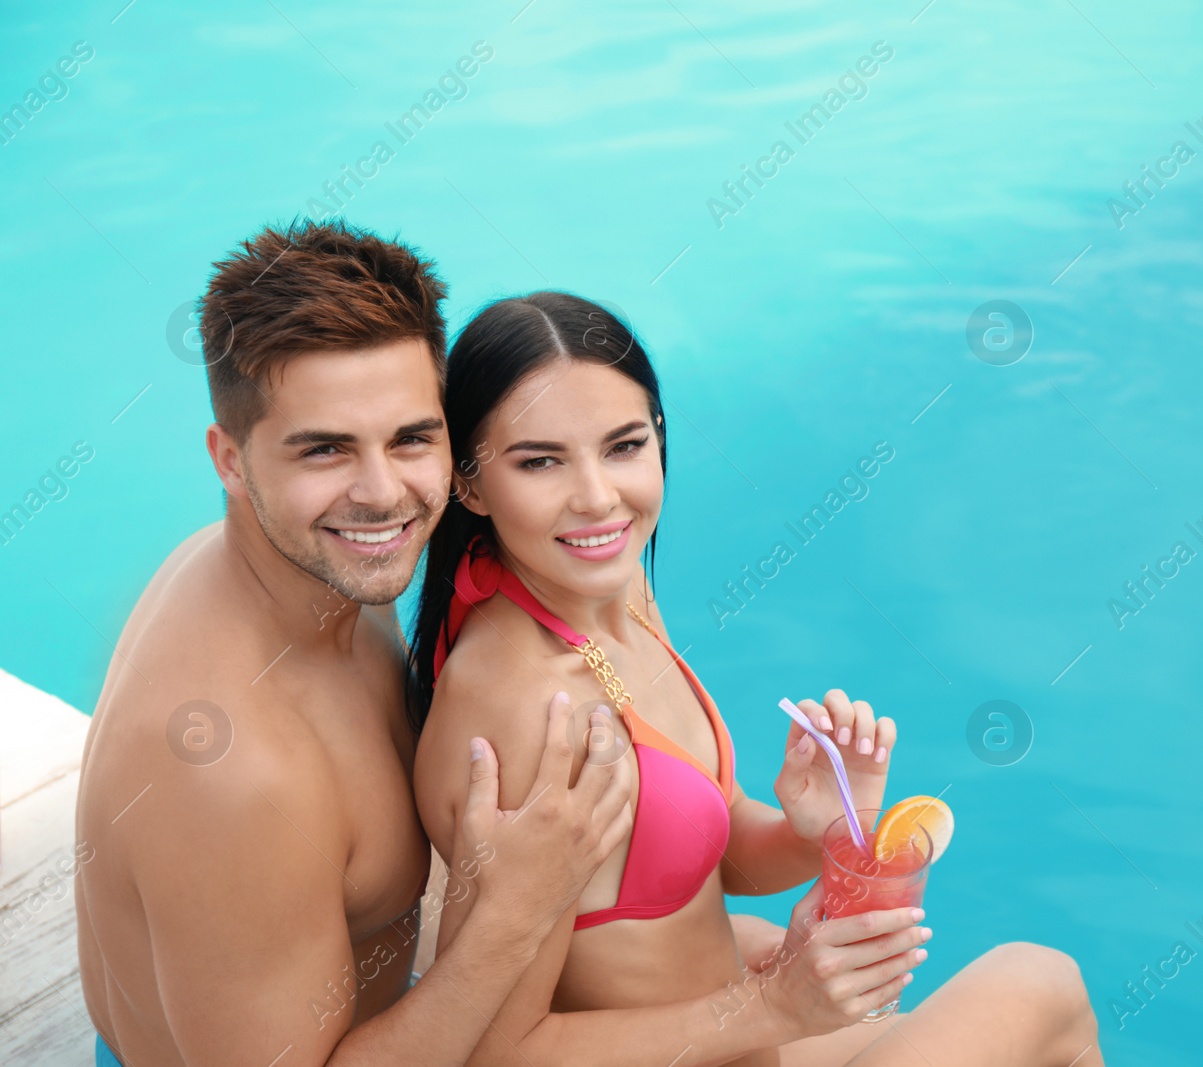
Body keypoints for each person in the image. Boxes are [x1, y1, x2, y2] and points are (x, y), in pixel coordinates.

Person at [409, 292, 1105, 1066]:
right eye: (540, 460)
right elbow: (502, 1055)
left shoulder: (611, 592)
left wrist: (806, 832)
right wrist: (775, 1004)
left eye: (624, 446)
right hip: (734, 1039)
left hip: (742, 1044)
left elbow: (697, 856)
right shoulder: (525, 708)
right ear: (467, 485)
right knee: (1041, 983)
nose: (599, 497)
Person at [73, 222, 639, 1067]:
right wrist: (514, 915)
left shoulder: (316, 572)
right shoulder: (234, 771)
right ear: (230, 460)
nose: (383, 495)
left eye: (412, 437)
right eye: (327, 449)